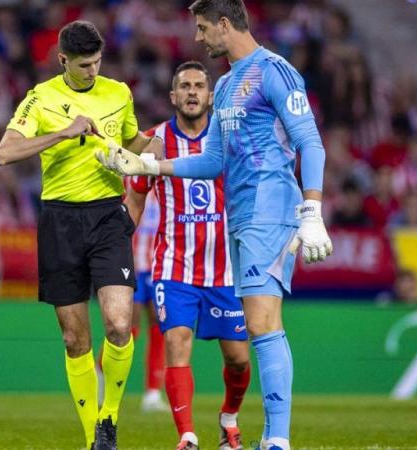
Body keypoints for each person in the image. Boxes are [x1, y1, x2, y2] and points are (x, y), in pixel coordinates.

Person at [96, 2, 333, 449]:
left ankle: (277, 438)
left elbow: (310, 142)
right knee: (259, 326)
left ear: (225, 25)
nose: (200, 38)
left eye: (204, 29)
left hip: (270, 209)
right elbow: (213, 161)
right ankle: (268, 435)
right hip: (239, 219)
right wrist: (152, 165)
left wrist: (312, 210)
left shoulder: (274, 71)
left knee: (263, 324)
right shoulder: (224, 87)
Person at [0, 20, 162, 450]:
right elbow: (5, 152)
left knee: (120, 326)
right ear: (62, 59)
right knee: (75, 339)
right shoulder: (42, 97)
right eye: (84, 65)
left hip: (108, 217)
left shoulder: (118, 93)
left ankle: (108, 419)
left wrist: (152, 148)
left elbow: (134, 145)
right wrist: (61, 135)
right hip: (60, 221)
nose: (92, 71)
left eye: (97, 62)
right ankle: (95, 438)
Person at [125, 61, 251, 450]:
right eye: (185, 86)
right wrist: (114, 249)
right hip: (173, 266)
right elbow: (135, 199)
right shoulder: (155, 142)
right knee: (177, 342)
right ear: (173, 97)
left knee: (239, 361)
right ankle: (188, 437)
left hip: (223, 271)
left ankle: (228, 418)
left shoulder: (230, 139)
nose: (193, 92)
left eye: (200, 85)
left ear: (211, 96)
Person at [128, 184, 168, 413]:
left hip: (158, 266)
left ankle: (152, 392)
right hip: (132, 264)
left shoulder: (167, 185)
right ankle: (100, 373)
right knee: (127, 328)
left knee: (158, 324)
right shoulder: (131, 181)